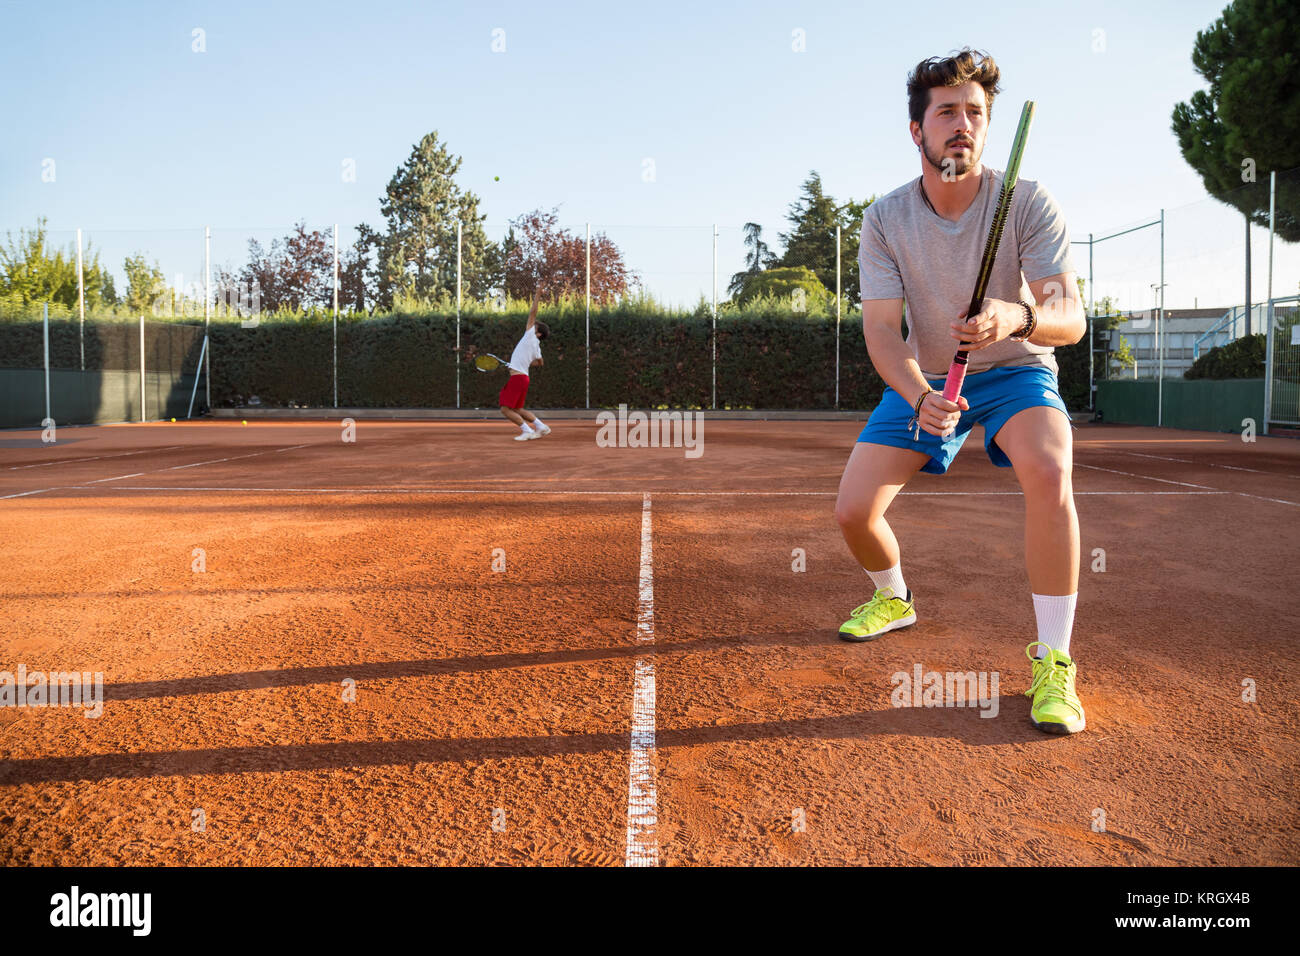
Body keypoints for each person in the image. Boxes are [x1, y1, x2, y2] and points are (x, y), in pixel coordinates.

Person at [834, 49, 1088, 735]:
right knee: (854, 512)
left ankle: (1053, 661)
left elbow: (1070, 317)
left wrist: (1019, 316)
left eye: (975, 112)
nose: (963, 124)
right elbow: (885, 333)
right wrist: (919, 396)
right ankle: (894, 599)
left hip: (1016, 372)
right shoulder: (885, 219)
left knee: (1048, 467)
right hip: (928, 380)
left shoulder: (1029, 203)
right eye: (946, 111)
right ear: (916, 130)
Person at [499, 288, 552, 441]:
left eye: (535, 326)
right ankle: (541, 426)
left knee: (505, 409)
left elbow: (533, 312)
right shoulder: (537, 347)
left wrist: (538, 294)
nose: (532, 324)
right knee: (517, 408)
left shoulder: (530, 336)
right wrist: (522, 362)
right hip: (523, 378)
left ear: (538, 333)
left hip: (518, 379)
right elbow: (540, 362)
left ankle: (527, 430)